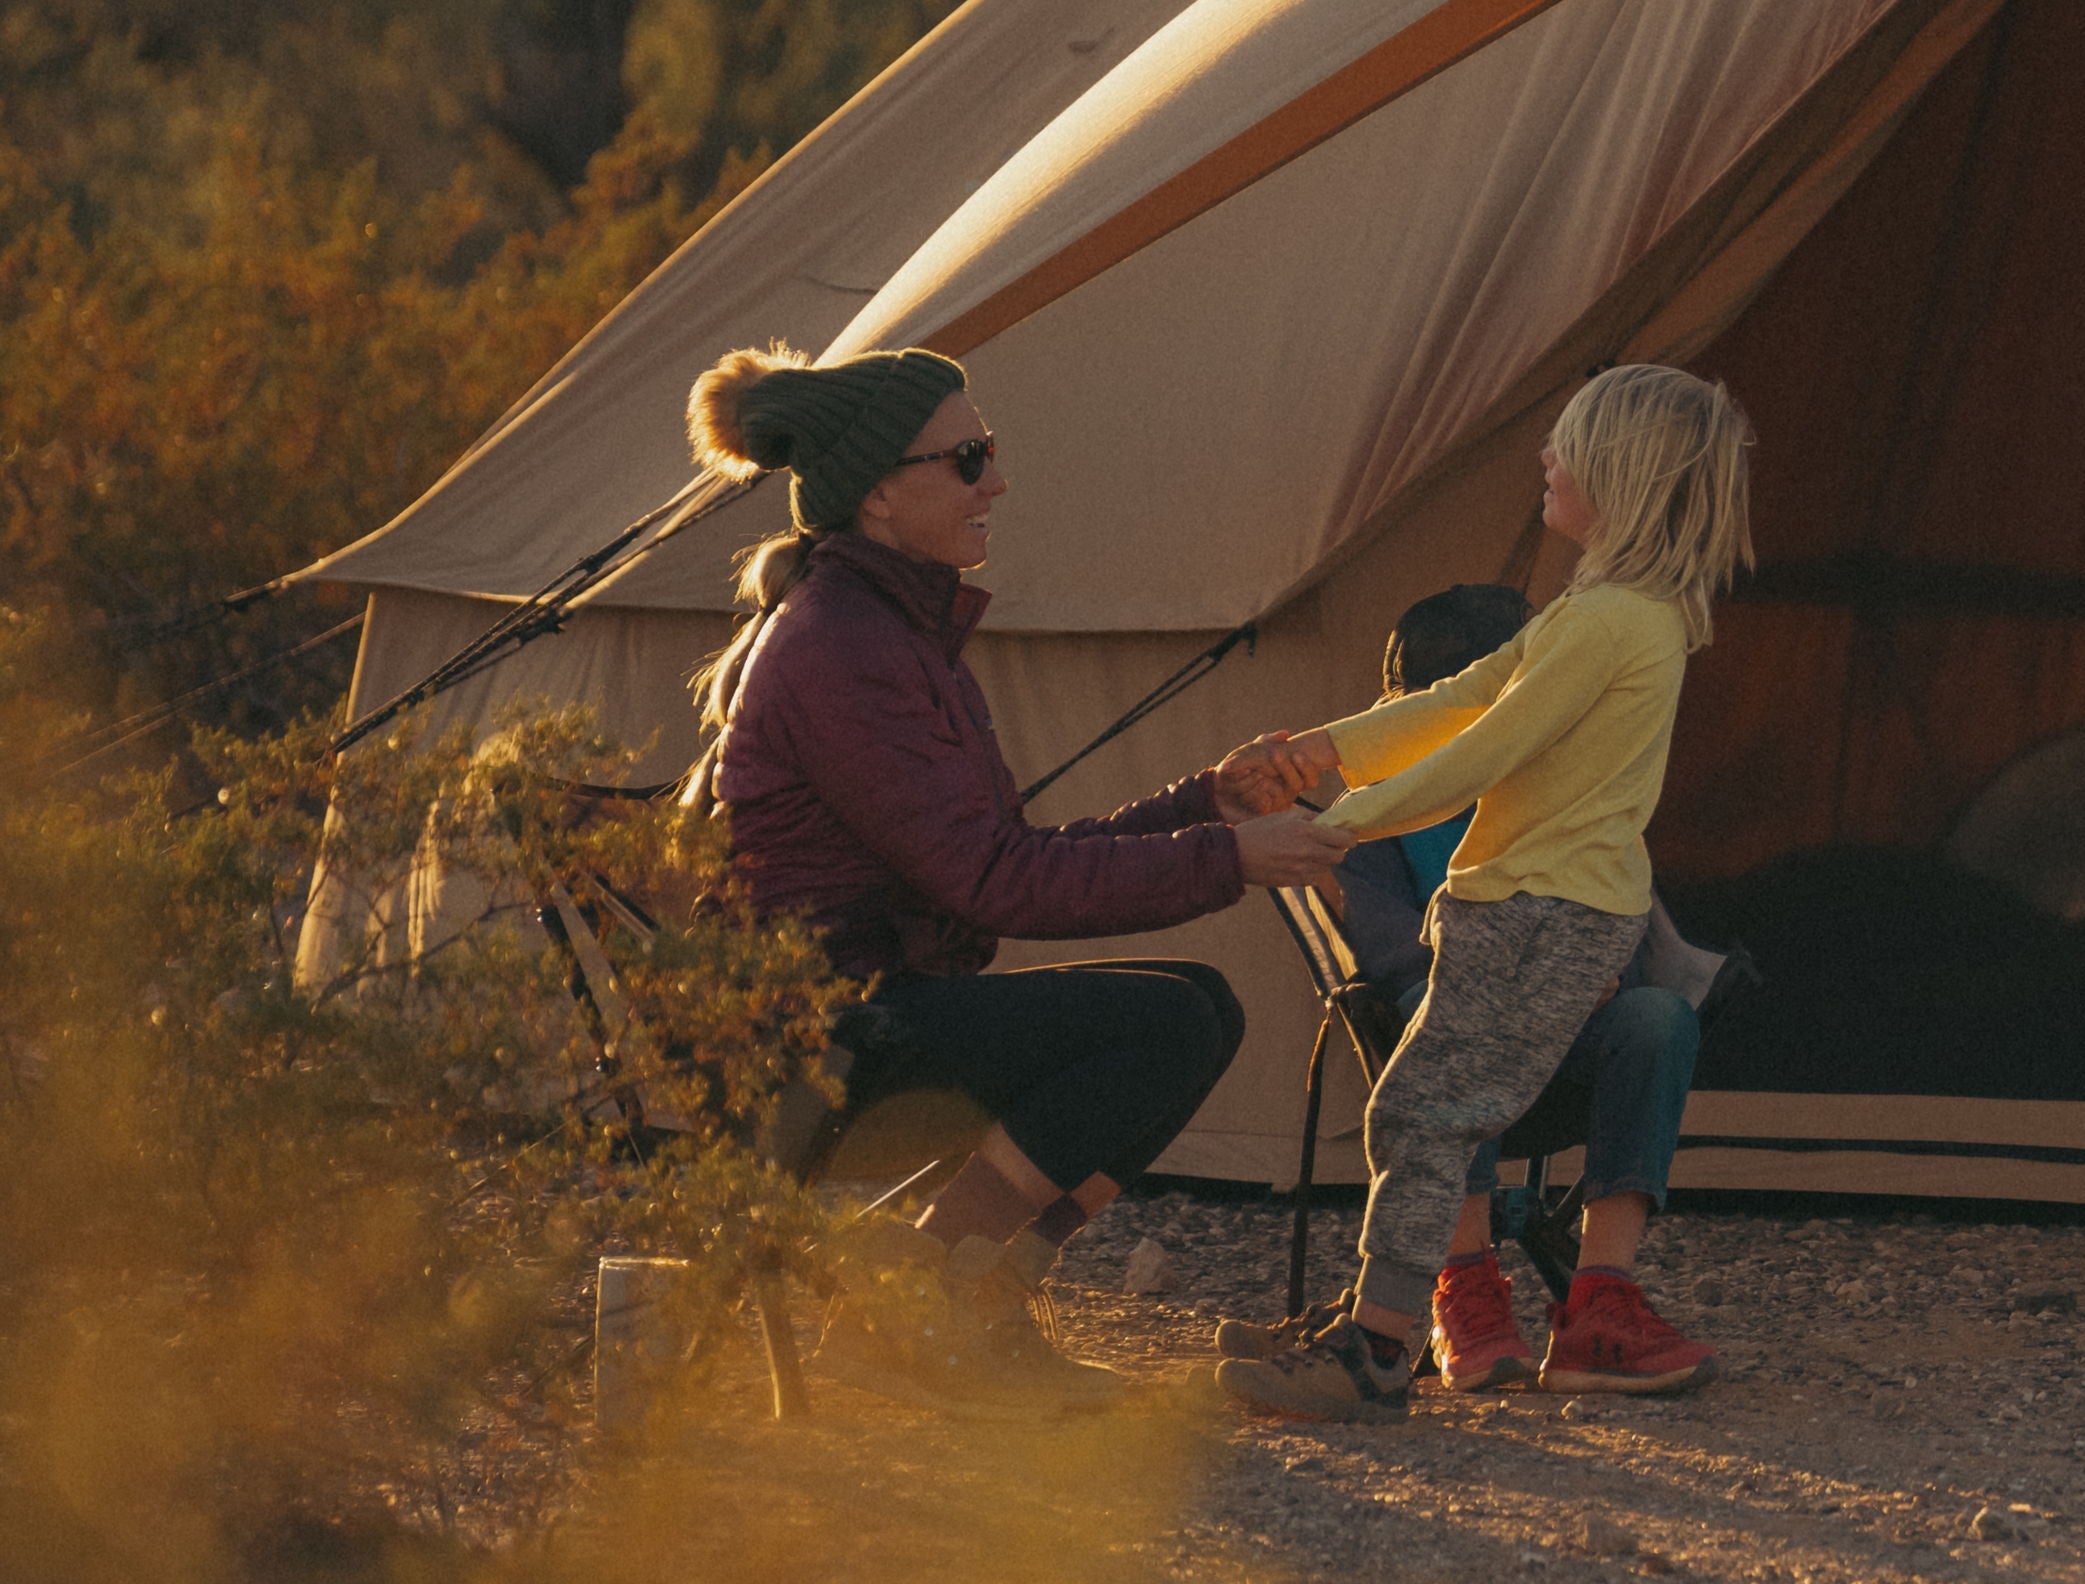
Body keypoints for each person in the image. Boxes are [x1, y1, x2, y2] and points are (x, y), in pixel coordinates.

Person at [688, 342, 1350, 1414]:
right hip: (815, 1042)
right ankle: (919, 1298)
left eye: (987, 453)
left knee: (1199, 1009)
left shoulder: (889, 632)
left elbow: (997, 854)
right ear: (880, 494)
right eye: (966, 459)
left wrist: (1203, 809)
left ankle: (959, 1291)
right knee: (1160, 1028)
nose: (995, 480)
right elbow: (995, 885)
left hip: (864, 1011)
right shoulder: (844, 651)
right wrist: (1225, 862)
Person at [1227, 364, 1754, 1423]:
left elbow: (1485, 747)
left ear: (1621, 474)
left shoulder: (1610, 623)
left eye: (1566, 445)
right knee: (1426, 1111)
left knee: (1425, 1112)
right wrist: (1321, 751)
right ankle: (1441, 1326)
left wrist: (1331, 827)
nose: (1545, 459)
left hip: (1537, 912)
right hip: (1534, 907)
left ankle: (1376, 1349)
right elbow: (1462, 697)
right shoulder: (1601, 612)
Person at [1261, 581, 1719, 1395]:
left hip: (1567, 1039)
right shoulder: (1376, 819)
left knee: (1657, 1017)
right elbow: (1392, 957)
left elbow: (1630, 942)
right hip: (1447, 1038)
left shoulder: (1568, 795)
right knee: (1440, 1007)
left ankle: (1600, 1301)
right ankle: (1462, 1281)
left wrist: (1583, 968)